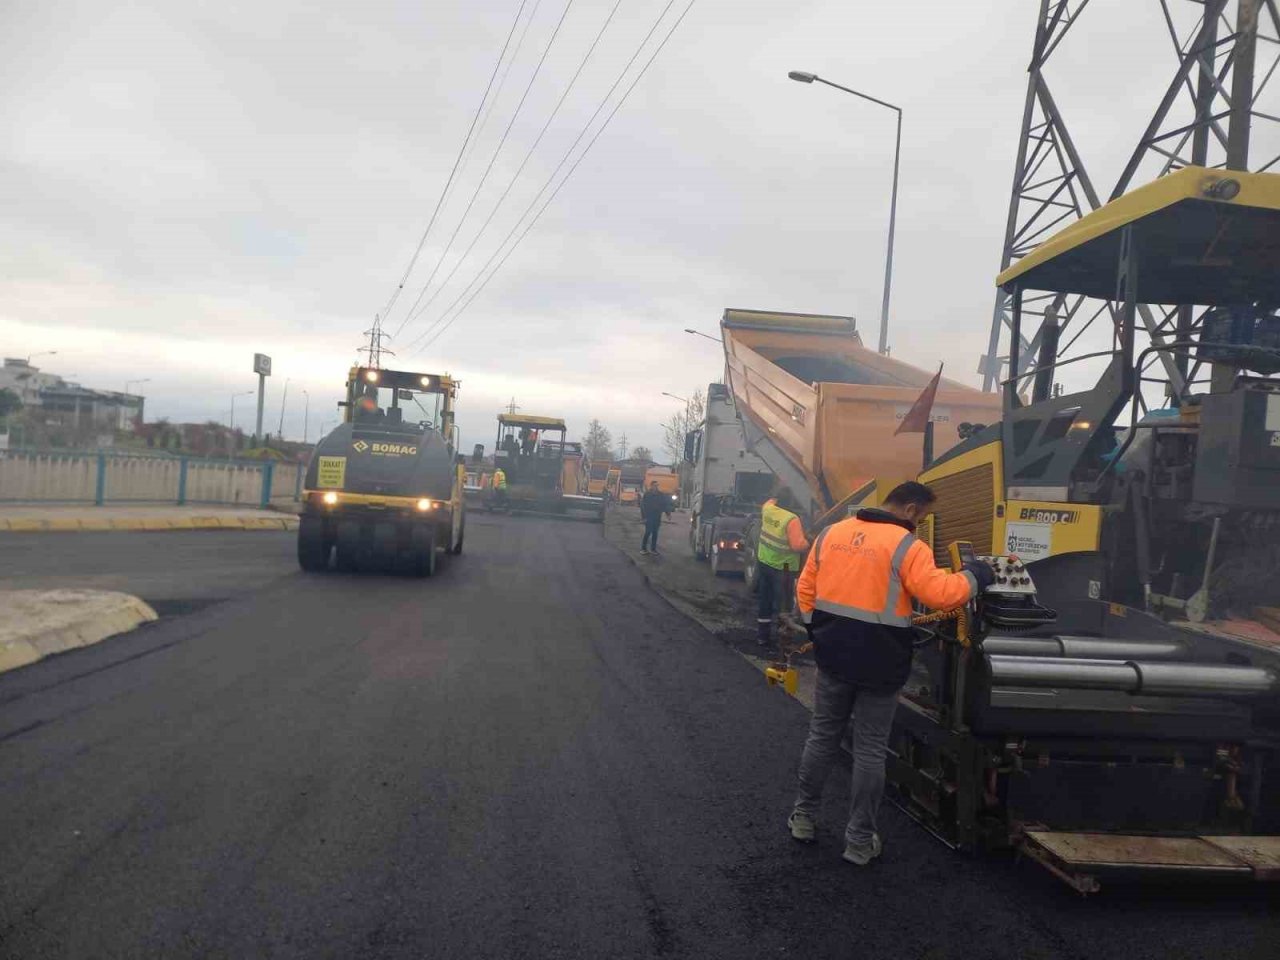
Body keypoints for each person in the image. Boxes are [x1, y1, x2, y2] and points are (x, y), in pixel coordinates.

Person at [786, 481, 996, 865]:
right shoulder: (907, 546)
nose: (922, 523)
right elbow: (942, 595)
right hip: (881, 664)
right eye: (924, 516)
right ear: (912, 509)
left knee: (822, 737)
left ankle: (803, 818)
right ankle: (859, 842)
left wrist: (817, 630)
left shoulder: (832, 534)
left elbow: (805, 588)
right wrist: (977, 575)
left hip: (834, 656)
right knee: (868, 749)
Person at [755, 490, 810, 647]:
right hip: (783, 569)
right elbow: (797, 545)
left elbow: (769, 501)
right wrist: (809, 541)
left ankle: (762, 636)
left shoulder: (768, 509)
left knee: (765, 600)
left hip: (764, 562)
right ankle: (783, 638)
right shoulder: (792, 519)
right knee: (784, 604)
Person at [639, 480, 670, 554]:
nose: (656, 487)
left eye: (657, 485)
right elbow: (643, 506)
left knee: (655, 533)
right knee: (648, 532)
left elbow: (664, 504)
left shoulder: (660, 495)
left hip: (657, 516)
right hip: (649, 516)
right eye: (654, 485)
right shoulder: (647, 494)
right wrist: (644, 517)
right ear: (651, 486)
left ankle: (653, 549)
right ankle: (643, 549)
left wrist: (668, 514)